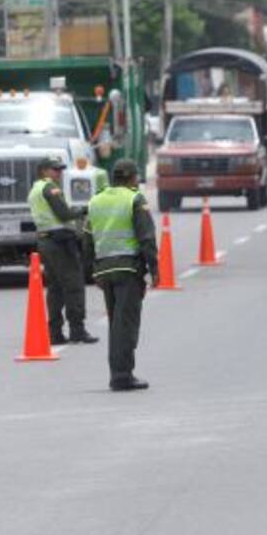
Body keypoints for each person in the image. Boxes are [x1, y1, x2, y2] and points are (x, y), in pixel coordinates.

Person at [84, 158, 159, 391]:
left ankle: (119, 372)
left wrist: (92, 272)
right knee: (125, 325)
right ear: (133, 178)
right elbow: (146, 239)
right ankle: (122, 375)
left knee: (116, 324)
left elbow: (87, 240)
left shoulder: (96, 201)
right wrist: (155, 271)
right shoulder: (134, 199)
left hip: (105, 271)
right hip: (128, 270)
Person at [27, 156, 97, 345]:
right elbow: (64, 214)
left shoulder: (35, 189)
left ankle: (55, 332)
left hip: (46, 241)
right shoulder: (50, 188)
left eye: (60, 169)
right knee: (73, 284)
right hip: (60, 242)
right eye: (55, 169)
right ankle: (77, 330)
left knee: (55, 288)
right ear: (44, 171)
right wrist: (84, 209)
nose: (59, 173)